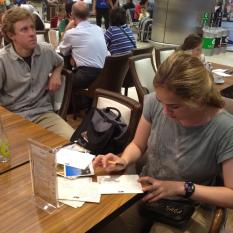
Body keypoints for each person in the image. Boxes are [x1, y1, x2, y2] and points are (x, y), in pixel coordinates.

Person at [93, 52, 233, 233]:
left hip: (191, 203)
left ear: (199, 100)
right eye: (161, 102)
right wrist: (124, 160)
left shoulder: (225, 129)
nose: (165, 112)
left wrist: (183, 188)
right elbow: (138, 145)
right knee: (103, 225)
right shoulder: (153, 102)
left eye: (174, 106)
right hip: (148, 191)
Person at [0, 7, 74, 140]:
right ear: (11, 35)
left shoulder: (46, 50)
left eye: (32, 27)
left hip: (43, 114)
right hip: (13, 116)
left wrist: (56, 73)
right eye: (24, 29)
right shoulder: (2, 60)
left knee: (75, 142)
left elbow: (60, 61)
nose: (32, 33)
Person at [59, 1, 108, 90]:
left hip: (86, 77)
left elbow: (62, 51)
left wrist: (67, 28)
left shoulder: (71, 33)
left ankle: (68, 103)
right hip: (104, 75)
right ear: (88, 15)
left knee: (60, 81)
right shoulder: (99, 29)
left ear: (72, 15)